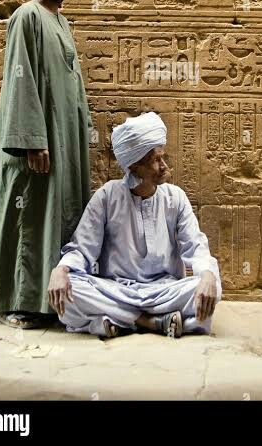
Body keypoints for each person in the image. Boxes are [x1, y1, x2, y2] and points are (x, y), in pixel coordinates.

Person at [48, 112, 221, 338]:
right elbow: (82, 249)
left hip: (165, 290)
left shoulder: (175, 197)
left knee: (210, 287)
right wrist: (60, 270)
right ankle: (150, 322)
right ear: (134, 167)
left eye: (163, 157)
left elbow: (196, 246)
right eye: (156, 160)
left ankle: (119, 320)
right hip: (117, 289)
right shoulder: (107, 196)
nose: (164, 166)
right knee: (71, 288)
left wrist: (207, 276)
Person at [0, 0, 92, 329]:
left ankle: (51, 300)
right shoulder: (26, 17)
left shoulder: (62, 23)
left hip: (62, 140)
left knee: (57, 216)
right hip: (35, 143)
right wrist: (32, 139)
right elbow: (21, 79)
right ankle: (19, 303)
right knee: (29, 216)